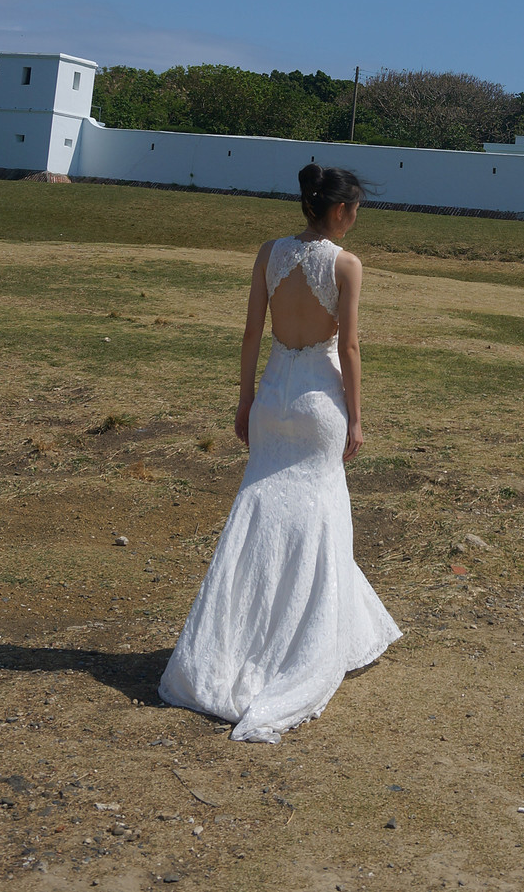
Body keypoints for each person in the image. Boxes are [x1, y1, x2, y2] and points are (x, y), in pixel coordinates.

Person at [158, 164, 401, 742]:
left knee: (258, 510)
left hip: (272, 395)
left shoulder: (269, 252)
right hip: (319, 399)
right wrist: (359, 417)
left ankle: (233, 641)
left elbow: (249, 334)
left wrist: (244, 404)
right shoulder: (346, 264)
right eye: (356, 210)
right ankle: (301, 644)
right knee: (318, 515)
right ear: (340, 210)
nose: (355, 220)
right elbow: (350, 344)